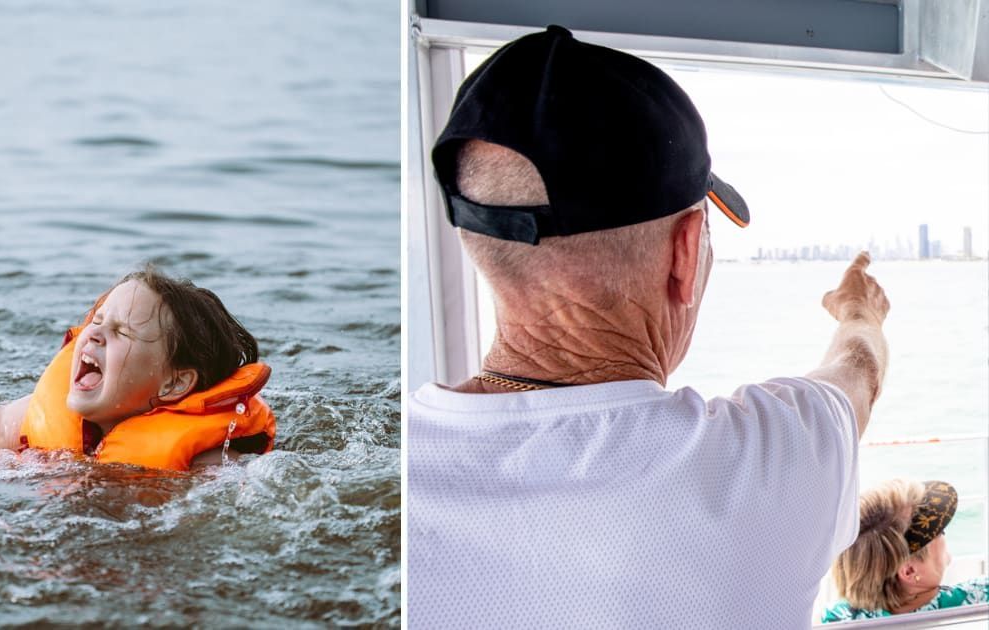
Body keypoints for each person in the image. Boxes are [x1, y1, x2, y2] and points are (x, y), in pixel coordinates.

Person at [407, 25, 890, 629]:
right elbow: (858, 373)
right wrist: (858, 310)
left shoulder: (391, 464)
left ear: (474, 239)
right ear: (685, 253)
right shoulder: (765, 468)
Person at [0, 265, 275, 470]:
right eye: (97, 320)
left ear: (174, 384)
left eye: (121, 332)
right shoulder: (29, 417)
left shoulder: (203, 463)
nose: (92, 333)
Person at [823, 479, 988, 621]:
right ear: (909, 571)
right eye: (939, 531)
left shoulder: (837, 617)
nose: (944, 533)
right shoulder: (976, 599)